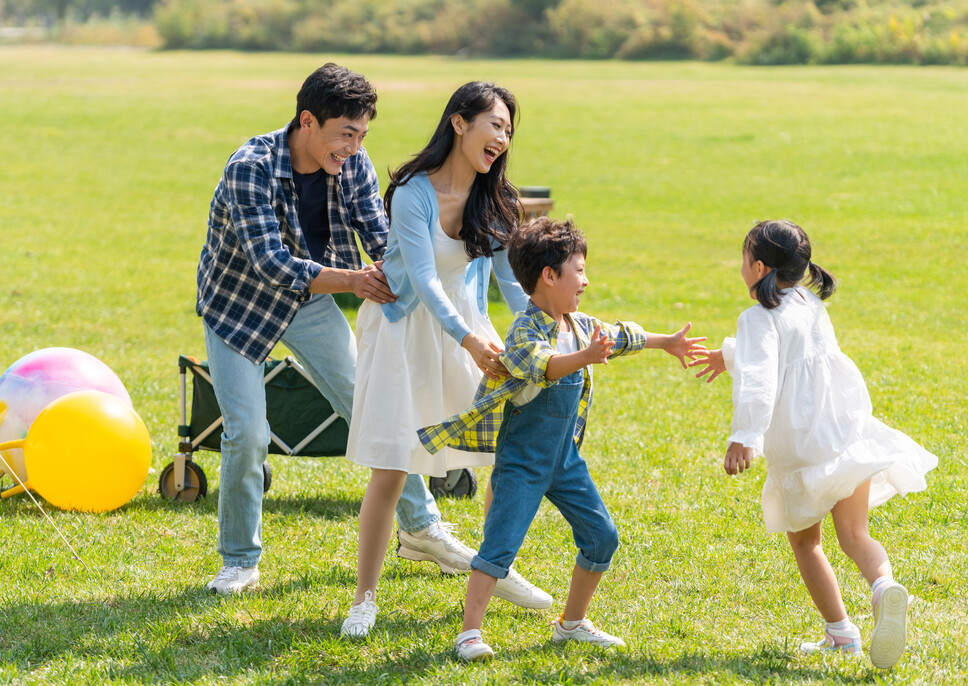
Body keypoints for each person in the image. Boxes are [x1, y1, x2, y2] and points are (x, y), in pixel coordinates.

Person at [195, 63, 485, 596]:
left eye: (361, 135)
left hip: (312, 300)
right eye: (344, 134)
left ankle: (423, 530)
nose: (352, 147)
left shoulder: (353, 164)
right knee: (248, 433)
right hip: (238, 305)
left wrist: (416, 276)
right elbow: (269, 263)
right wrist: (353, 281)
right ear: (308, 121)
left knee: (376, 405)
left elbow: (379, 231)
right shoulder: (250, 166)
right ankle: (240, 562)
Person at [418, 217, 706, 661]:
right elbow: (541, 366)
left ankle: (571, 625)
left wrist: (665, 341)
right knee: (498, 546)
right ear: (549, 277)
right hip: (523, 463)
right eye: (579, 271)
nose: (586, 281)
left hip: (564, 460)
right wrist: (585, 356)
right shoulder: (524, 330)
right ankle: (469, 634)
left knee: (602, 537)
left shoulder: (578, 322)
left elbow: (621, 336)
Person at [340, 82, 552, 638]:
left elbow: (514, 283)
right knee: (393, 465)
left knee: (504, 457)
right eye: (495, 125)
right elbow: (427, 281)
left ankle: (496, 567)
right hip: (405, 331)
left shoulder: (497, 200)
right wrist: (470, 341)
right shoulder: (414, 191)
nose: (502, 139)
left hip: (467, 333)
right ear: (459, 123)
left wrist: (549, 334)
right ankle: (364, 598)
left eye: (509, 131)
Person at [689, 219, 938, 669]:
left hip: (803, 448)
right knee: (855, 535)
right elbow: (793, 350)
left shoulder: (756, 317)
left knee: (807, 542)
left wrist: (743, 438)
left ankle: (841, 633)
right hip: (844, 436)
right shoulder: (806, 301)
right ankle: (884, 588)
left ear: (759, 266)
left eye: (744, 257)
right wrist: (731, 355)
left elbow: (763, 378)